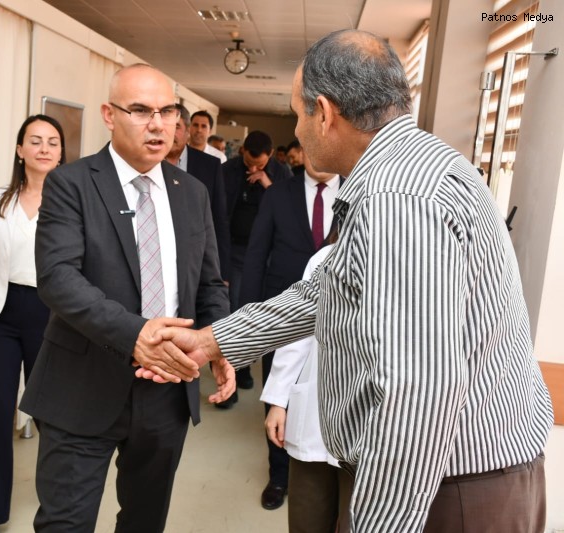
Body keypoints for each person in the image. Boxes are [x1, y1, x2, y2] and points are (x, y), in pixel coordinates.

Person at [139, 30, 553, 532]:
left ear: (325, 113)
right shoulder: (416, 166)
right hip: (453, 477)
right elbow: (325, 291)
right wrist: (212, 340)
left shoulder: (396, 200)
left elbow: (414, 392)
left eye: (297, 114)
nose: (298, 129)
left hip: (448, 490)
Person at [18, 63, 234, 533]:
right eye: (140, 110)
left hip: (166, 392)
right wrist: (137, 335)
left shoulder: (191, 193)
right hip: (82, 386)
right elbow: (57, 278)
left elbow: (208, 283)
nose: (158, 124)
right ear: (109, 115)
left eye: (167, 111)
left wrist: (219, 343)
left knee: (144, 522)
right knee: (65, 524)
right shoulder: (71, 183)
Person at [0, 114, 65, 533]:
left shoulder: (72, 202)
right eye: (35, 141)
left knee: (52, 416)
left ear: (61, 152)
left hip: (51, 315)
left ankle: (59, 512)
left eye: (52, 142)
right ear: (20, 150)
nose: (43, 148)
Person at [239, 154, 342, 510]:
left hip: (335, 319)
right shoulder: (278, 194)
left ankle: (326, 471)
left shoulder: (358, 191)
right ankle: (279, 475)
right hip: (282, 315)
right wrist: (248, 320)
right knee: (278, 394)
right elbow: (256, 254)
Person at [262, 243, 352, 533]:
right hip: (315, 416)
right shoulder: (325, 258)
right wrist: (278, 401)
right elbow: (295, 331)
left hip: (366, 426)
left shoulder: (411, 259)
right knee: (307, 516)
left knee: (356, 519)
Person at [219, 129, 291, 402]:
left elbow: (289, 211)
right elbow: (219, 215)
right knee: (236, 310)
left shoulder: (282, 174)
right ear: (242, 152)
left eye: (258, 164)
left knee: (262, 312)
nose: (252, 168)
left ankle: (249, 364)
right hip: (236, 252)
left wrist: (266, 181)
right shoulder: (228, 171)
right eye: (249, 162)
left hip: (269, 255)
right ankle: (235, 373)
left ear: (270, 155)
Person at [165, 103, 231, 282]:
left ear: (187, 130)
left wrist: (222, 273)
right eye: (166, 126)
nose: (170, 132)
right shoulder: (147, 163)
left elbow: (219, 220)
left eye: (176, 126)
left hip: (197, 261)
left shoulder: (210, 166)